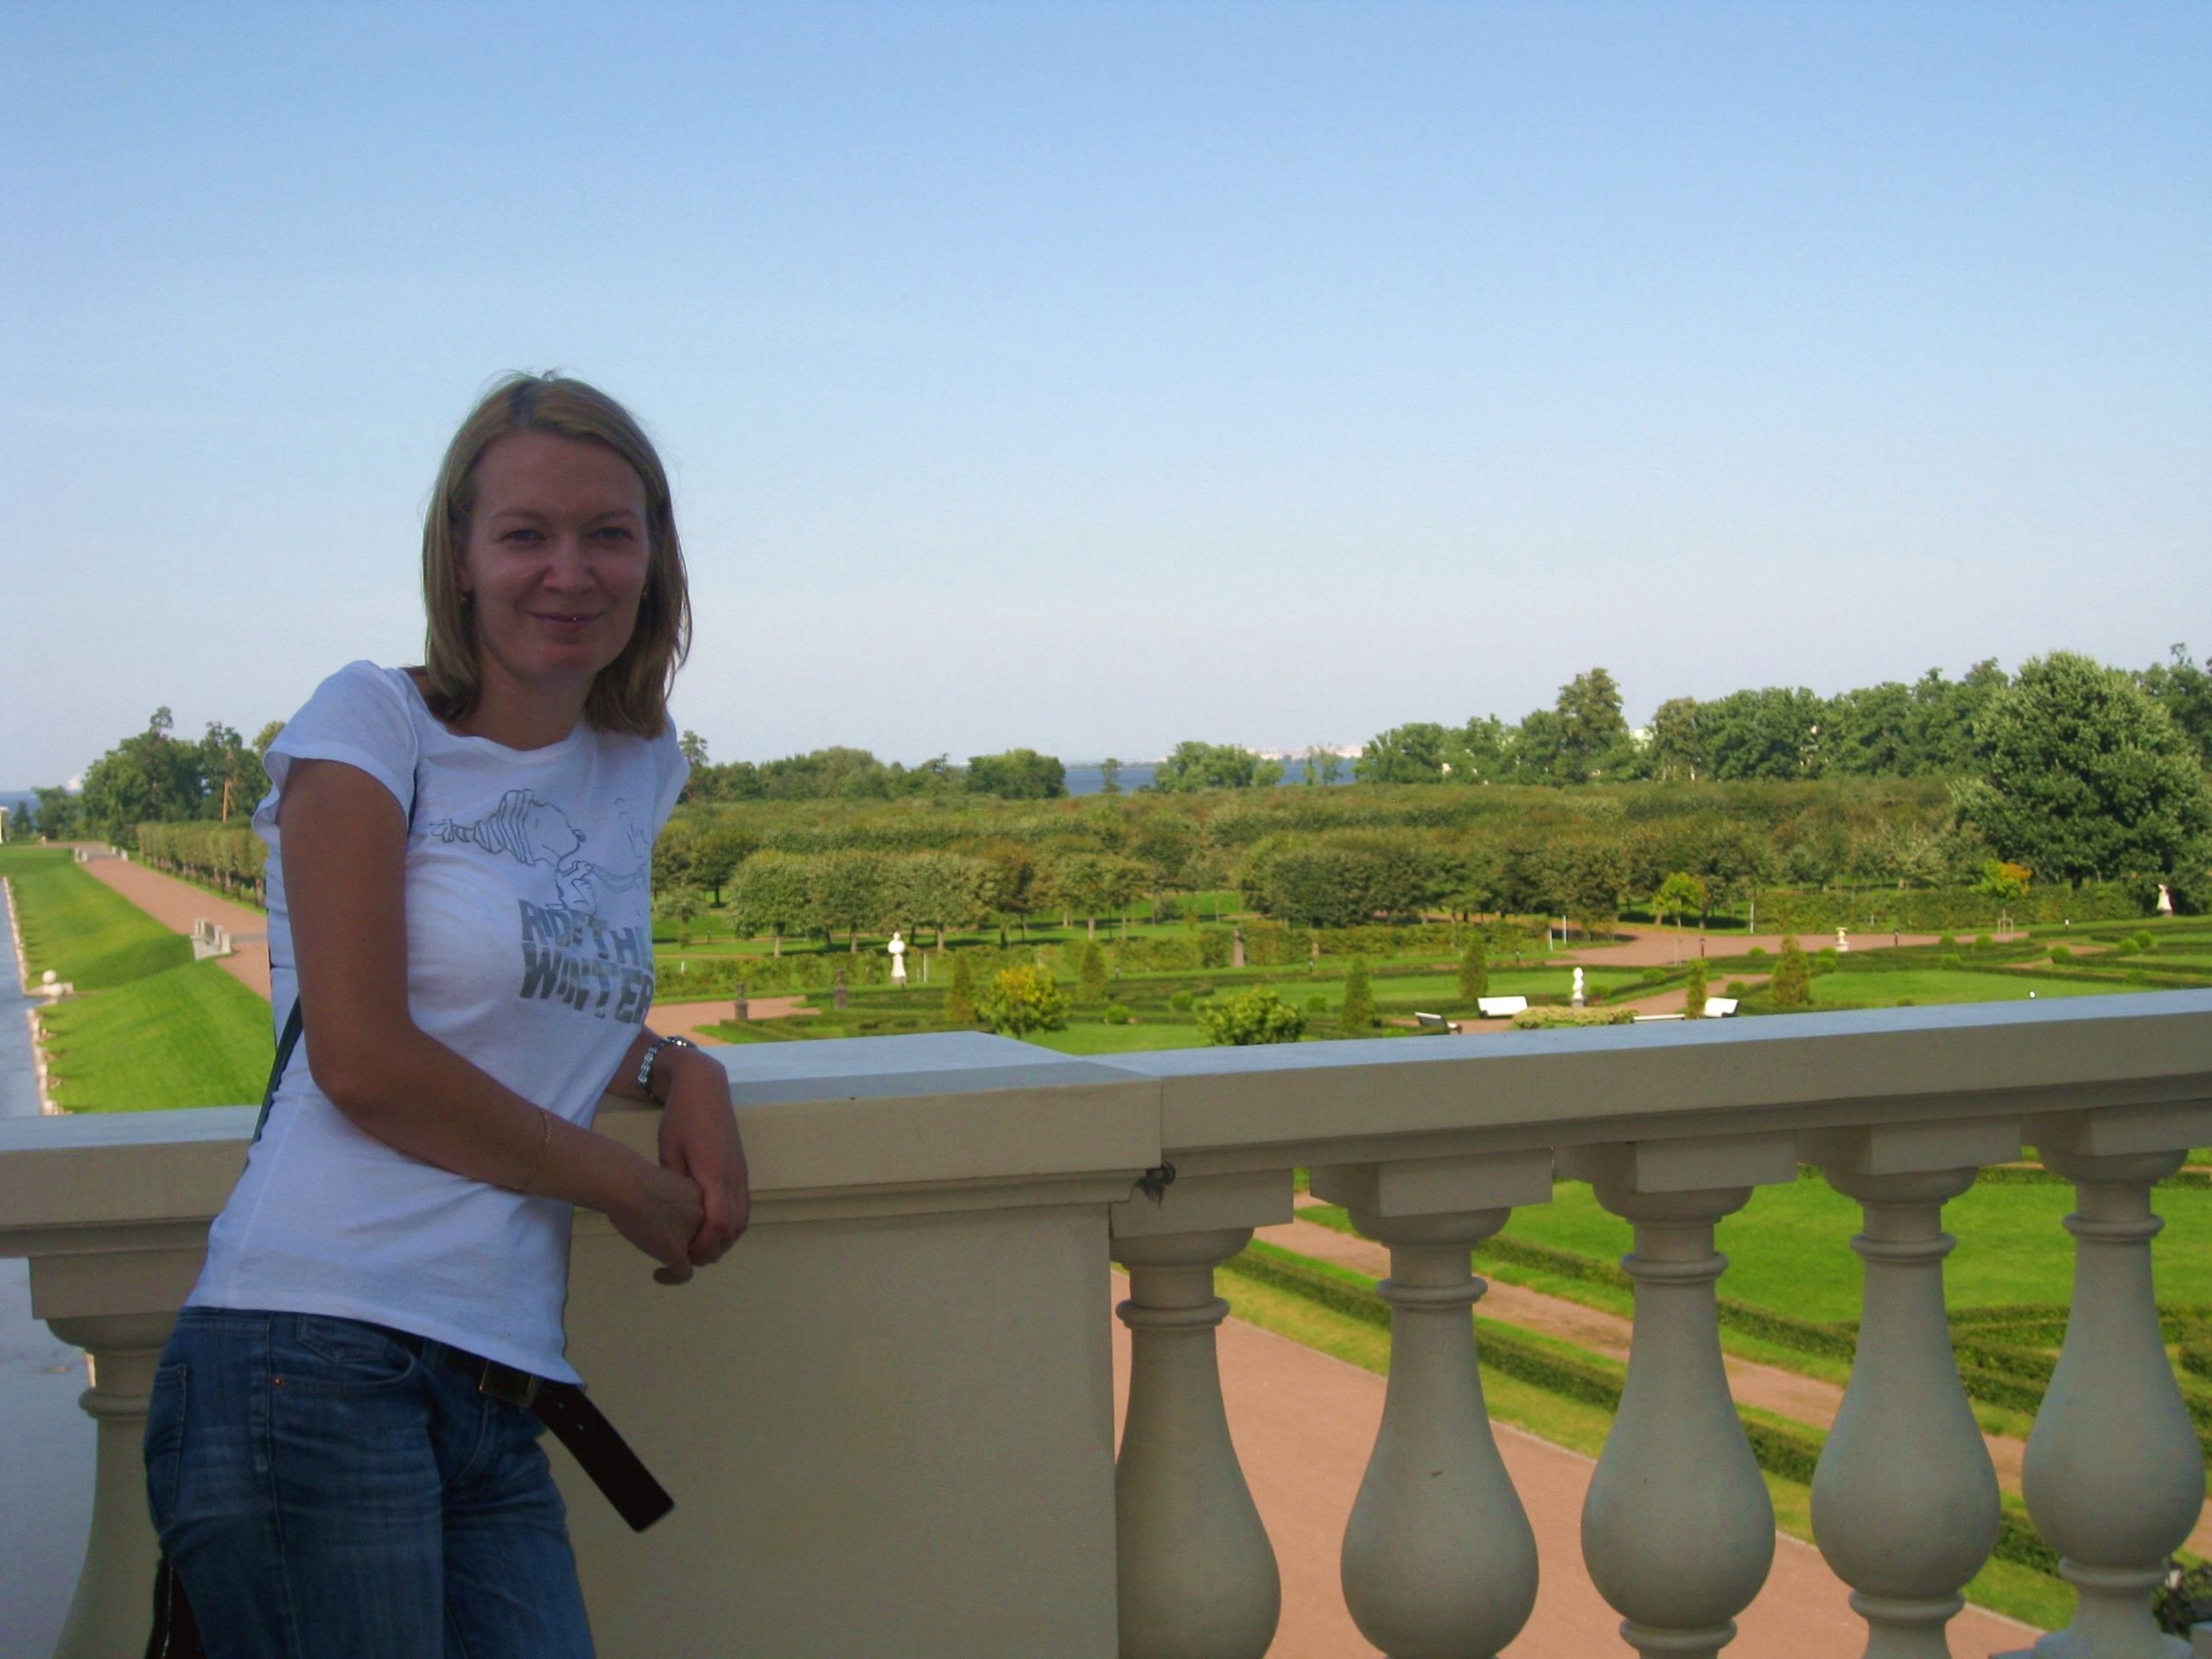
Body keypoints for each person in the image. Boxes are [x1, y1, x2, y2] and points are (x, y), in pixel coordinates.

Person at [143, 374, 750, 1657]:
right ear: (460, 559)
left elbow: (532, 1000)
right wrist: (626, 1189)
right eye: (526, 534)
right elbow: (365, 1059)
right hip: (309, 1352)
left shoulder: (639, 765)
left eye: (609, 533)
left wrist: (683, 1071)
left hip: (498, 1384)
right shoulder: (371, 722)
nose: (569, 572)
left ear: (654, 558)